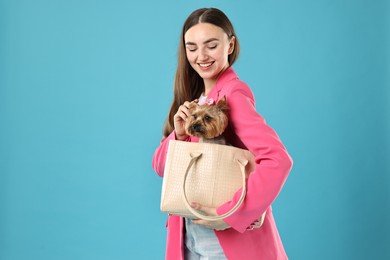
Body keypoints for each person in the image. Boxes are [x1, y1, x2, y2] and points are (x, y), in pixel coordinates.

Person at [152, 7, 293, 260]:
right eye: (192, 47)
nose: (201, 56)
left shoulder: (233, 95)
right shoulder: (195, 102)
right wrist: (180, 135)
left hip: (225, 247)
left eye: (211, 45)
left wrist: (230, 213)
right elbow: (161, 167)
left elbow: (278, 160)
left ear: (230, 45)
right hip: (189, 239)